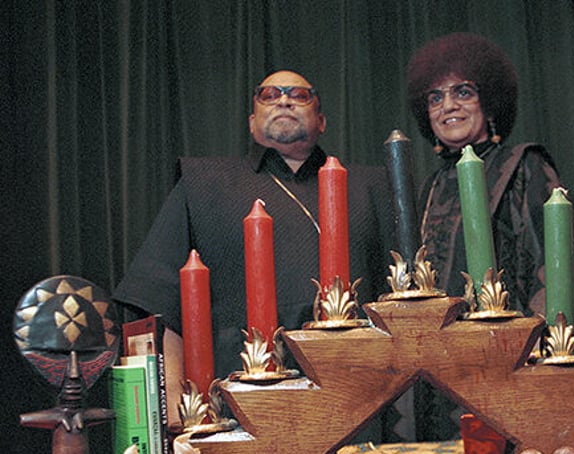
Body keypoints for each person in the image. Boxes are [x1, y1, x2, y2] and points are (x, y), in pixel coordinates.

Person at [113, 70, 391, 426]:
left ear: (321, 121)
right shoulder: (203, 183)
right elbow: (157, 299)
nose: (284, 100)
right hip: (239, 399)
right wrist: (172, 408)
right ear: (251, 121)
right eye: (270, 94)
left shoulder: (369, 187)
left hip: (356, 393)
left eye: (299, 95)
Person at [405, 33, 574, 440]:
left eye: (462, 92)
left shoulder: (524, 166)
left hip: (511, 363)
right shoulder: (430, 186)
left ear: (489, 100)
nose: (448, 105)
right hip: (440, 373)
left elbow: (554, 268)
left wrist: (535, 351)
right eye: (435, 97)